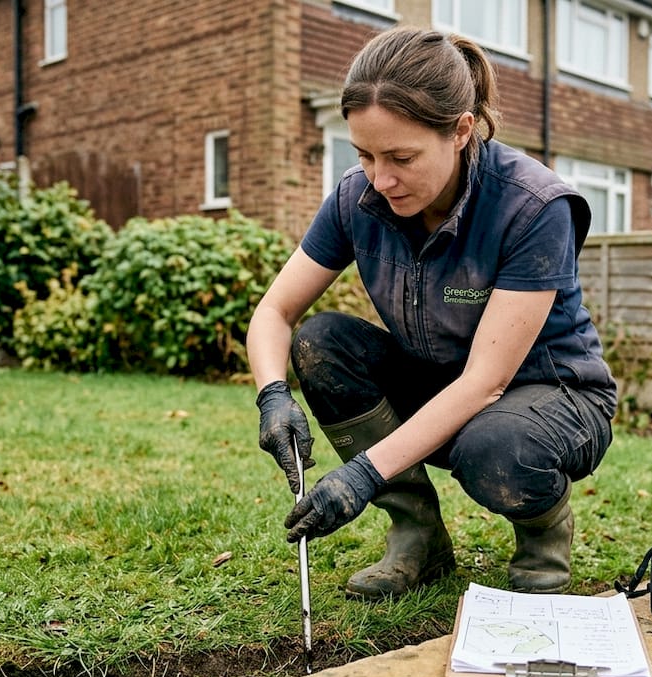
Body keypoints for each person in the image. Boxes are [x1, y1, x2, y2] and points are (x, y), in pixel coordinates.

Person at [247, 26, 617, 600]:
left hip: (554, 400)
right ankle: (419, 537)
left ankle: (543, 551)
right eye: (364, 155)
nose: (381, 178)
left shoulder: (534, 206)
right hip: (445, 387)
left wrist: (363, 473)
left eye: (402, 157)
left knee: (497, 446)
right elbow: (276, 311)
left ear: (462, 130)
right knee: (321, 343)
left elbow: (485, 383)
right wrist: (272, 394)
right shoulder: (356, 198)